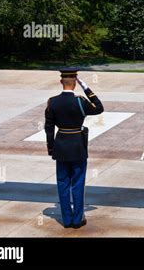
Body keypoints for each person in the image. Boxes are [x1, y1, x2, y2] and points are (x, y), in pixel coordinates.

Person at [44, 68, 104, 228]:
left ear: (60, 81)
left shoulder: (53, 102)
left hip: (61, 147)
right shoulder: (80, 101)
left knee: (62, 183)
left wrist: (51, 148)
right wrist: (87, 88)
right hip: (78, 146)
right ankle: (77, 220)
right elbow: (99, 107)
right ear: (75, 83)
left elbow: (48, 128)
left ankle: (67, 219)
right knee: (77, 183)